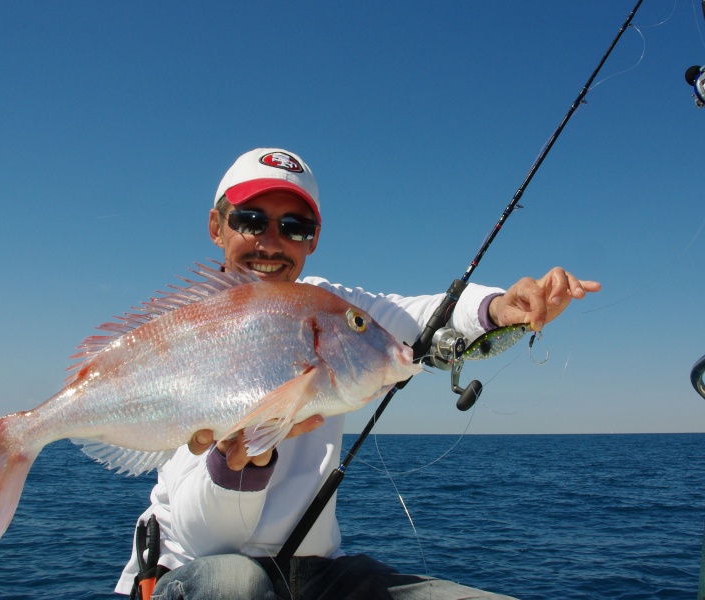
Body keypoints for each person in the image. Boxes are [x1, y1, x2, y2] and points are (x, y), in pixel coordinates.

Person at [115, 148, 601, 599]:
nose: (271, 242)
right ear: (217, 227)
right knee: (237, 583)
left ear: (315, 239)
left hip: (317, 574)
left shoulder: (326, 310)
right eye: (250, 220)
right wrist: (235, 465)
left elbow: (424, 317)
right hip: (195, 573)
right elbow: (204, 539)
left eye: (295, 227)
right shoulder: (187, 335)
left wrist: (498, 307)